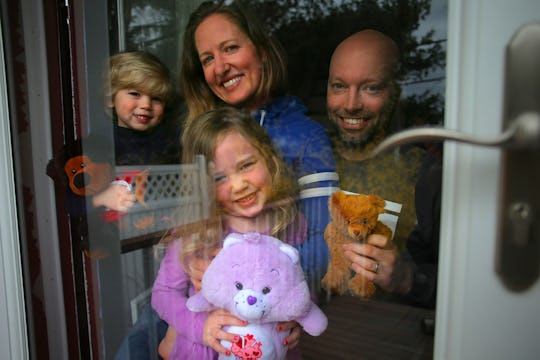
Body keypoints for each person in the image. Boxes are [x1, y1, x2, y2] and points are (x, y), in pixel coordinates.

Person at [179, 0, 338, 292]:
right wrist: (192, 260)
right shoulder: (203, 137)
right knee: (139, 340)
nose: (220, 67)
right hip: (199, 307)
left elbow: (326, 241)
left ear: (262, 52)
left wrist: (251, 279)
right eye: (207, 59)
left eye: (229, 48)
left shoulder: (306, 137)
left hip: (265, 307)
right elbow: (193, 229)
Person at [152, 107, 306, 359]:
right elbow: (163, 294)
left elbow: (299, 288)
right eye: (219, 178)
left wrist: (297, 322)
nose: (237, 185)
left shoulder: (291, 224)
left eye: (246, 165)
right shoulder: (197, 234)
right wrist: (200, 326)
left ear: (268, 158)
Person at [327, 30, 441, 307]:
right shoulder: (311, 160)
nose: (351, 104)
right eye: (339, 86)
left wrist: (408, 279)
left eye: (371, 88)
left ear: (395, 92)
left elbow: (471, 285)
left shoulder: (426, 174)